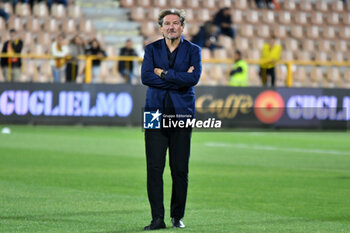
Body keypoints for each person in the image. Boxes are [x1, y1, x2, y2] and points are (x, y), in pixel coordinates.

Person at [141, 8, 202, 230]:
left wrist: (164, 74)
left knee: (179, 169)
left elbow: (194, 78)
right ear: (161, 27)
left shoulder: (193, 50)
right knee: (154, 168)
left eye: (175, 23)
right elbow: (146, 77)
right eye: (167, 23)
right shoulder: (151, 49)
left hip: (182, 114)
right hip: (154, 114)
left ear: (182, 26)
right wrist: (179, 79)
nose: (171, 27)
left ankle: (177, 216)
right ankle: (157, 219)